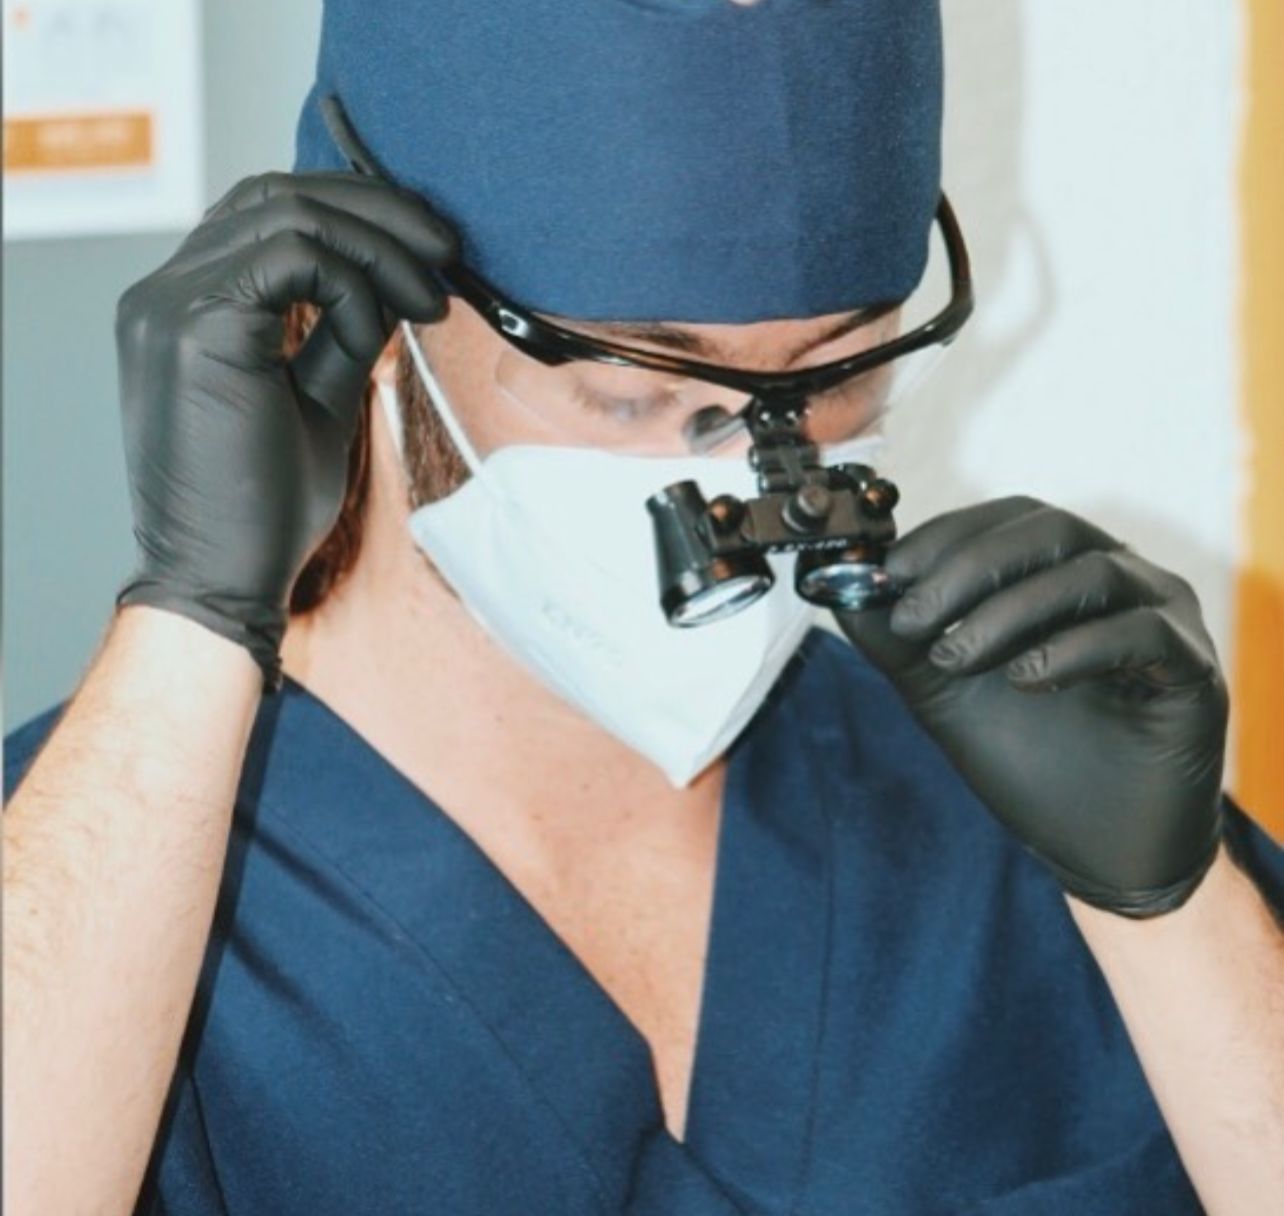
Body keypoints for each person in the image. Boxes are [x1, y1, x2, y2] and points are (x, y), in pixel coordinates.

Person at [5, 2, 1284, 1214]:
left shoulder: (1029, 808)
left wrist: (1177, 911)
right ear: (377, 316)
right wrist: (192, 618)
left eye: (841, 372)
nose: (755, 468)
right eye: (637, 393)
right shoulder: (102, 861)